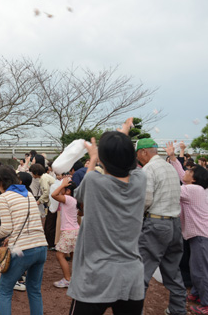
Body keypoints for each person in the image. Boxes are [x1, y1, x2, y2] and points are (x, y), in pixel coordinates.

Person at [67, 118, 146, 315]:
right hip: (131, 277)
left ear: (102, 159)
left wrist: (93, 159)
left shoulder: (94, 181)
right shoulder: (140, 181)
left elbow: (78, 195)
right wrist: (123, 139)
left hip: (95, 277)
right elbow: (130, 166)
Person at [136, 137, 185, 315]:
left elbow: (146, 200)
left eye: (138, 155)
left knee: (141, 273)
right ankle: (178, 310)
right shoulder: (170, 167)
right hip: (174, 223)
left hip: (156, 223)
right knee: (173, 270)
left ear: (143, 152)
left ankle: (135, 310)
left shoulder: (148, 169)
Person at [0, 166, 48, 315]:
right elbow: (28, 222)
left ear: (0, 181)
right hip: (41, 246)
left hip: (22, 249)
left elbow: (6, 229)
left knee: (4, 290)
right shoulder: (28, 194)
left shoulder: (4, 197)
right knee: (34, 290)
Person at [165, 142, 208, 315]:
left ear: (195, 178)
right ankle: (197, 294)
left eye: (190, 171)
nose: (186, 172)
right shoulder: (198, 188)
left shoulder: (191, 190)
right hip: (198, 235)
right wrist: (174, 157)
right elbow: (182, 175)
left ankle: (206, 304)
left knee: (200, 270)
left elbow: (173, 188)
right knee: (196, 267)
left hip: (200, 236)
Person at [50, 177, 78, 288]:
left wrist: (62, 185)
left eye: (63, 188)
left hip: (68, 231)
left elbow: (53, 195)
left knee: (60, 254)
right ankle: (76, 277)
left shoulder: (68, 198)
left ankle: (67, 279)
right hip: (74, 230)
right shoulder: (74, 199)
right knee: (73, 255)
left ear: (68, 191)